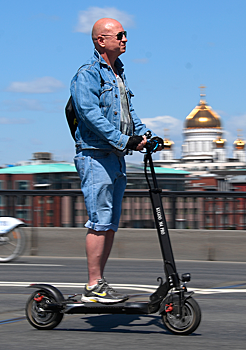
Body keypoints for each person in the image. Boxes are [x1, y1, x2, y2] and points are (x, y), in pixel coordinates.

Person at [70, 18, 162, 303]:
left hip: (116, 157)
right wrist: (125, 140)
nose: (124, 39)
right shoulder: (87, 74)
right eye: (119, 35)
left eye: (125, 34)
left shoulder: (118, 73)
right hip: (96, 156)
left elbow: (128, 113)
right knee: (99, 221)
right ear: (101, 40)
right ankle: (93, 285)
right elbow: (90, 115)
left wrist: (146, 135)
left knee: (110, 222)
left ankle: (99, 282)